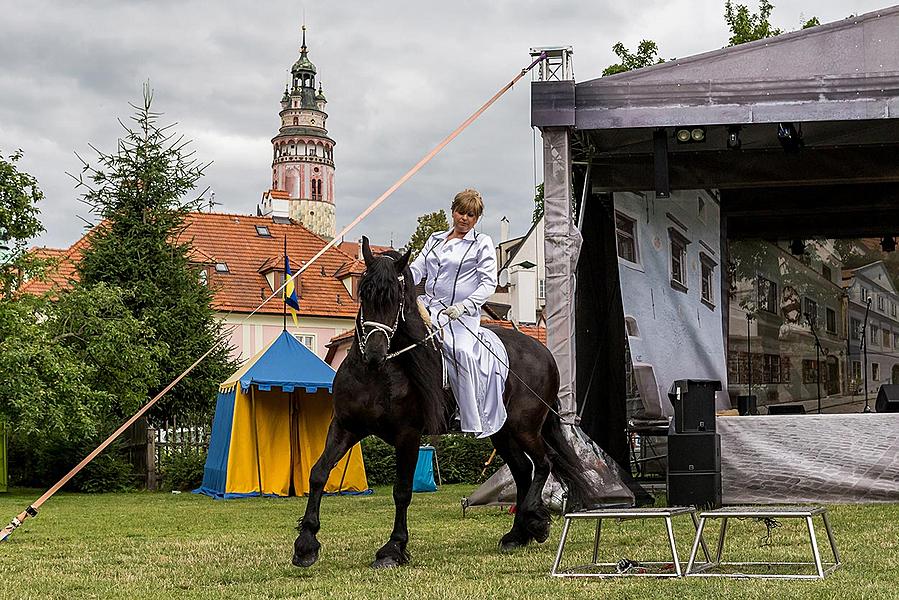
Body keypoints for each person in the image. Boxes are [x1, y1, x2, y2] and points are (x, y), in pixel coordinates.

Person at [409, 189, 508, 437]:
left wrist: (465, 306)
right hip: (428, 307)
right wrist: (397, 275)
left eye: (471, 215)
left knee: (461, 351)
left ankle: (465, 413)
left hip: (461, 315)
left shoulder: (481, 243)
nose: (464, 218)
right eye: (461, 212)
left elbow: (488, 283)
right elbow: (417, 269)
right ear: (453, 211)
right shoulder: (434, 239)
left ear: (476, 219)